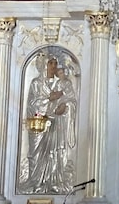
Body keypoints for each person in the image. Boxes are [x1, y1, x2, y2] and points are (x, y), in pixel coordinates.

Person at [20, 56, 77, 194]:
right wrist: (48, 100)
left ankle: (53, 181)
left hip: (57, 125)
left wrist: (65, 106)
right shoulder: (36, 83)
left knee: (55, 153)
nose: (53, 66)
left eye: (55, 63)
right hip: (40, 125)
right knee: (36, 153)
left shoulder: (62, 84)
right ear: (43, 66)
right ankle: (35, 181)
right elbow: (31, 105)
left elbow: (72, 101)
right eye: (50, 63)